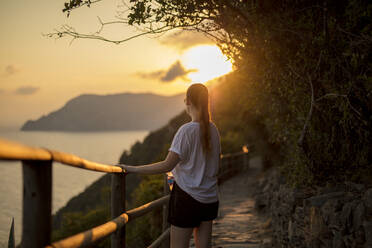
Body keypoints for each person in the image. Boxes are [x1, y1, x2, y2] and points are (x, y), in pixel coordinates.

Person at [119, 83, 221, 248]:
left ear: (188, 101)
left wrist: (132, 168)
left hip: (187, 199)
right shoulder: (213, 129)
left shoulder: (186, 131)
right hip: (209, 198)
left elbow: (167, 165)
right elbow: (215, 166)